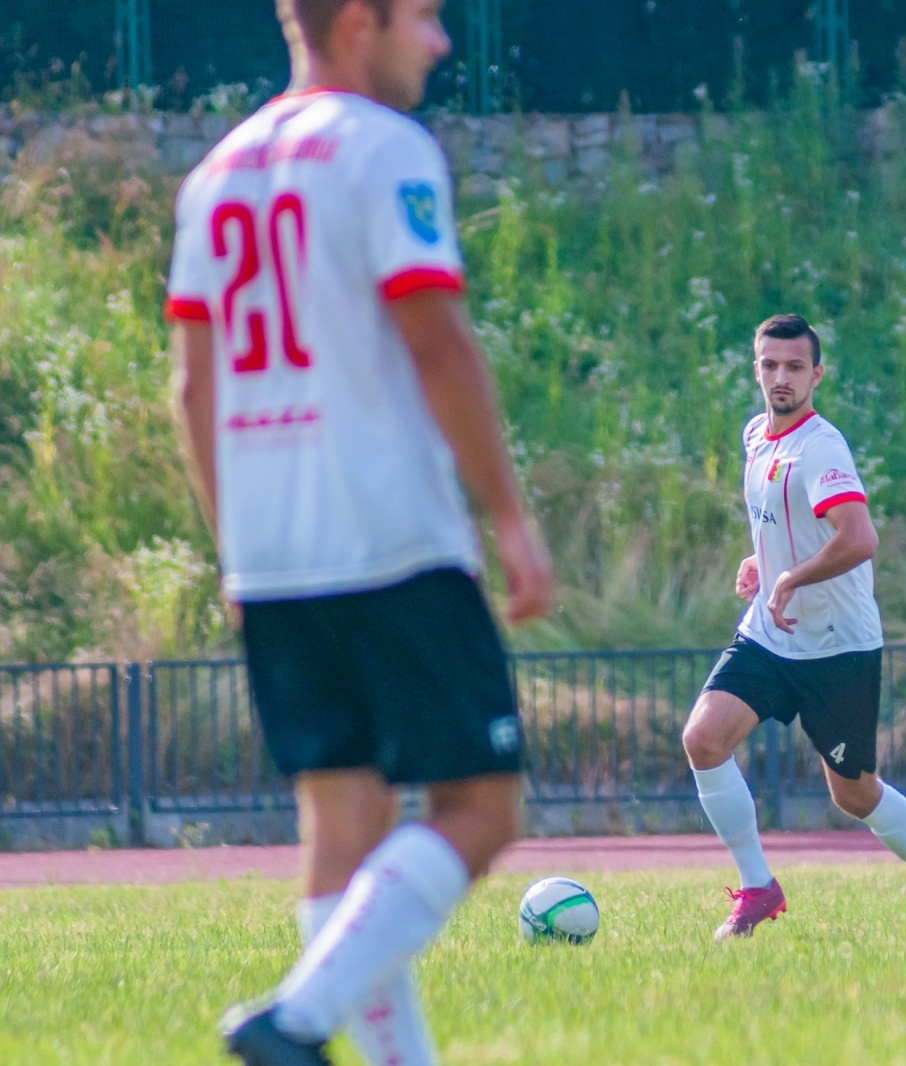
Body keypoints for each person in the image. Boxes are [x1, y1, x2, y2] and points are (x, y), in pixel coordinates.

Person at [166, 1, 554, 1062]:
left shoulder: (215, 174)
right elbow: (436, 341)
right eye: (421, 17)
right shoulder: (385, 150)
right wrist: (511, 520)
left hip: (273, 551)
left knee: (343, 825)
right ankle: (296, 1012)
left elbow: (192, 383)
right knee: (481, 808)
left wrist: (232, 544)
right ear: (354, 22)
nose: (437, 42)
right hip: (389, 536)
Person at [680, 314, 906, 940]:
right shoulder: (757, 435)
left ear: (817, 374)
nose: (782, 378)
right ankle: (758, 888)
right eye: (770, 365)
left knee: (853, 797)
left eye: (795, 367)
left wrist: (791, 579)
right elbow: (782, 522)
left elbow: (859, 539)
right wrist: (765, 561)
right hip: (770, 635)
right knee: (703, 739)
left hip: (837, 648)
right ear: (756, 369)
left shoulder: (821, 447)